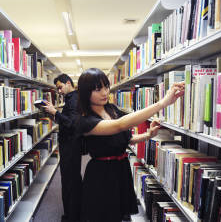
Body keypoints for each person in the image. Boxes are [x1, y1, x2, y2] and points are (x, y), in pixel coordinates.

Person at [76, 68, 185, 222]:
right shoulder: (84, 121)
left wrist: (148, 135)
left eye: (106, 87)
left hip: (121, 169)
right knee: (103, 215)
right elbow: (120, 125)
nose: (104, 92)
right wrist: (162, 103)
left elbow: (126, 139)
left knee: (120, 215)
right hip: (101, 174)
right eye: (97, 89)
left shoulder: (111, 109)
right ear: (86, 92)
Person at [43, 74, 82, 222]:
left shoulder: (74, 100)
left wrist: (55, 112)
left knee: (70, 182)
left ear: (68, 83)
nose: (59, 91)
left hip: (71, 146)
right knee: (71, 180)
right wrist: (54, 115)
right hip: (70, 145)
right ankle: (73, 213)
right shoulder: (71, 98)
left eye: (60, 87)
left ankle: (72, 216)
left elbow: (72, 124)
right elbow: (67, 121)